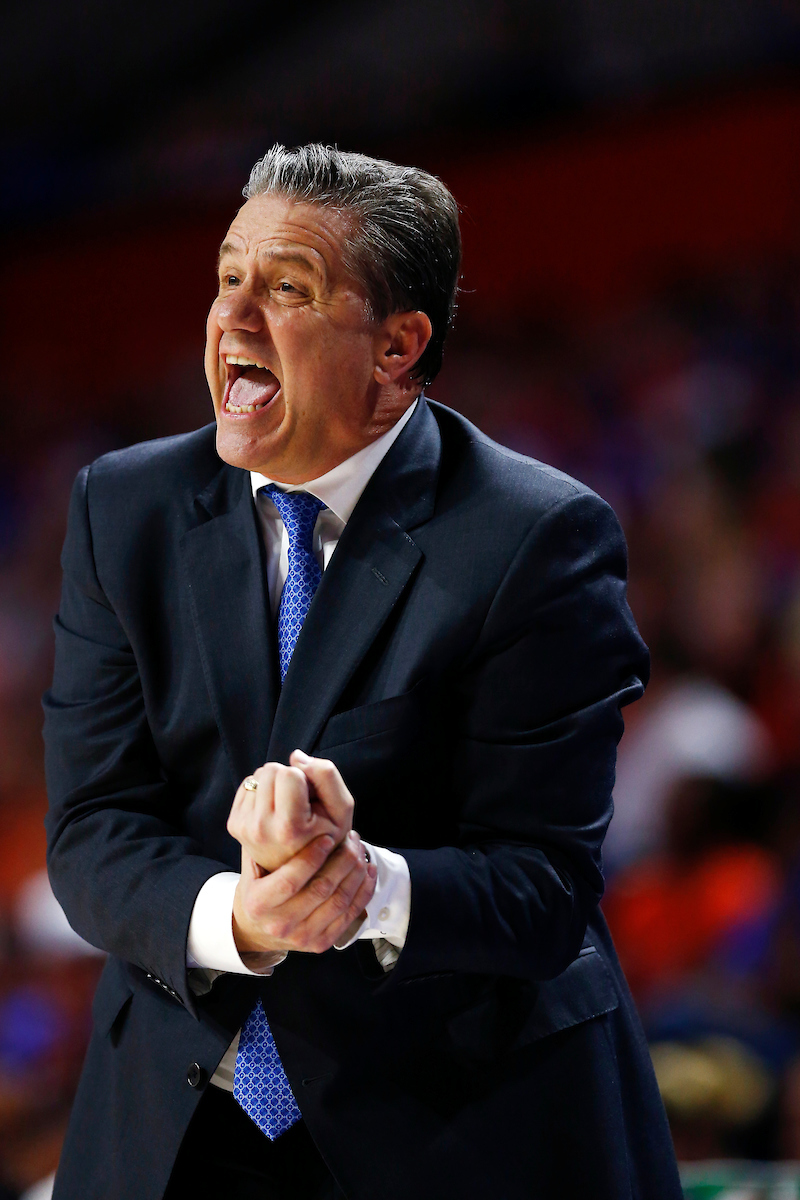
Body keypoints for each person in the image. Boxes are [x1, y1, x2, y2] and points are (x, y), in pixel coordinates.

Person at [43, 144, 682, 1200]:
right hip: (178, 1123)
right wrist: (240, 918)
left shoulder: (535, 537)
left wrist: (365, 887)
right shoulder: (123, 509)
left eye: (287, 288)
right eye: (227, 277)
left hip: (456, 1120)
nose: (233, 317)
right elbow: (92, 827)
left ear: (396, 346)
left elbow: (543, 886)